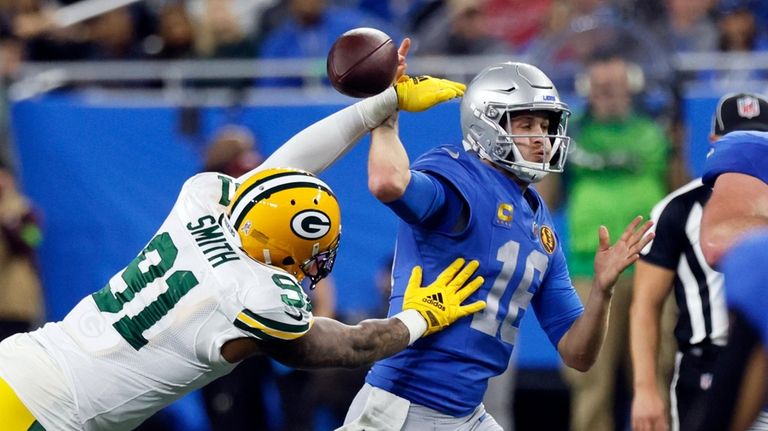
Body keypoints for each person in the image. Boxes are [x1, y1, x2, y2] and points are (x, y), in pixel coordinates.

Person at [0, 52, 485, 430]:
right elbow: (350, 347)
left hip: (23, 359)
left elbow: (286, 167)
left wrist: (382, 104)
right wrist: (422, 316)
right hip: (48, 412)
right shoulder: (256, 296)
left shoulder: (204, 202)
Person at [341, 60, 655, 430]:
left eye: (545, 124)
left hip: (467, 412)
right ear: (486, 125)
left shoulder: (538, 221)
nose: (541, 137)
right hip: (402, 406)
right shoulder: (460, 178)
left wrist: (603, 290)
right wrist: (386, 116)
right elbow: (388, 183)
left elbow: (578, 353)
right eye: (526, 124)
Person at [541, 50, 674, 431]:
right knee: (589, 377)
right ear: (586, 89)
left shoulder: (656, 131)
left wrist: (677, 142)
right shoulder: (570, 134)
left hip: (652, 265)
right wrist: (552, 153)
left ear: (632, 89)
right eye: (599, 87)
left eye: (615, 87)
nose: (607, 94)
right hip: (588, 268)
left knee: (655, 371)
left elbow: (677, 189)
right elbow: (550, 200)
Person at [629, 92, 768, 431]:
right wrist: (645, 388)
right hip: (706, 364)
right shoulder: (678, 208)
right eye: (736, 138)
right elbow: (645, 304)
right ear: (714, 143)